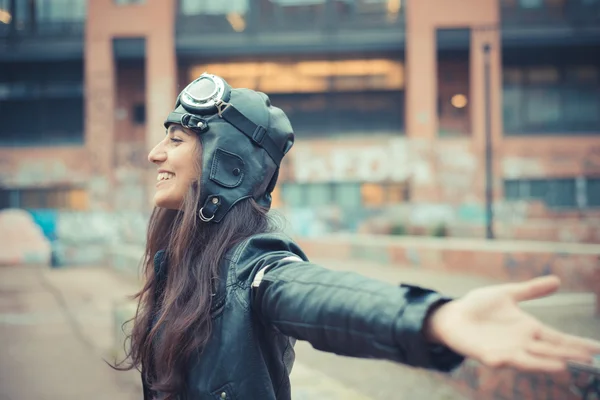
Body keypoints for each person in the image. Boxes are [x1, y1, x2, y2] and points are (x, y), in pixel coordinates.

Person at [117, 73, 600, 400]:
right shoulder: (180, 263)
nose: (155, 154)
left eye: (177, 139)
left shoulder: (251, 266)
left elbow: (314, 294)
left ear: (228, 163)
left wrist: (430, 317)